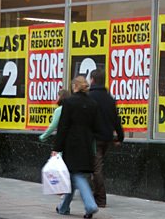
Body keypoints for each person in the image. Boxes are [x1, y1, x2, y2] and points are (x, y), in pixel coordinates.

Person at [52, 76, 100, 219]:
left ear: (75, 86)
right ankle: (64, 207)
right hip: (86, 144)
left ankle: (90, 204)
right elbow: (96, 126)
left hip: (71, 145)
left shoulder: (69, 102)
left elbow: (63, 127)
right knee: (73, 175)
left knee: (77, 175)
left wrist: (56, 147)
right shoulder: (92, 103)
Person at [88, 68, 124, 207]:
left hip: (94, 139)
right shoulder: (109, 99)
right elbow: (116, 120)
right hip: (107, 138)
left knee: (96, 169)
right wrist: (120, 137)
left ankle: (101, 199)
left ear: (92, 80)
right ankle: (95, 194)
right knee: (97, 167)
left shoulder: (90, 97)